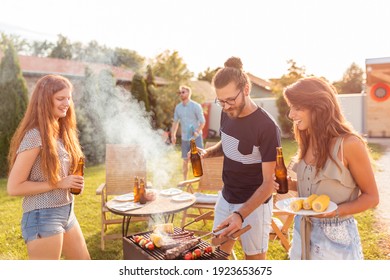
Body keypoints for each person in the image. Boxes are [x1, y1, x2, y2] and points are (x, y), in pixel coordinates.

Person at [276, 76, 379, 260]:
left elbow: (372, 197)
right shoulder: (307, 140)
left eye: (297, 108)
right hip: (302, 231)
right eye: (290, 107)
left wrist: (336, 212)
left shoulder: (349, 144)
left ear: (319, 108)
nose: (291, 115)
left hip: (335, 240)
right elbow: (310, 185)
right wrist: (288, 184)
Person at [202, 57, 281, 260]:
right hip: (226, 196)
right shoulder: (227, 112)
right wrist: (210, 152)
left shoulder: (267, 128)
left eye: (231, 100)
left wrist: (240, 215)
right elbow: (229, 142)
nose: (226, 106)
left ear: (246, 89)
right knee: (217, 256)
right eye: (221, 101)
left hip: (254, 204)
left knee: (253, 262)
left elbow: (268, 184)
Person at [7, 74, 90, 260]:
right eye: (60, 98)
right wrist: (59, 183)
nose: (66, 103)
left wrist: (71, 182)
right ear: (45, 101)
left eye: (69, 98)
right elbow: (14, 187)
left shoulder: (60, 131)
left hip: (67, 211)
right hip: (42, 216)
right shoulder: (35, 135)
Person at [171, 85, 205, 180]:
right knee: (185, 160)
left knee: (198, 160)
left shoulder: (196, 106)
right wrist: (173, 135)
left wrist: (197, 131)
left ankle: (201, 181)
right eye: (180, 92)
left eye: (183, 92)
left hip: (195, 138)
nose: (181, 94)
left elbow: (202, 121)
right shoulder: (178, 108)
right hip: (185, 138)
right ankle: (185, 181)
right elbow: (175, 122)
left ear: (188, 93)